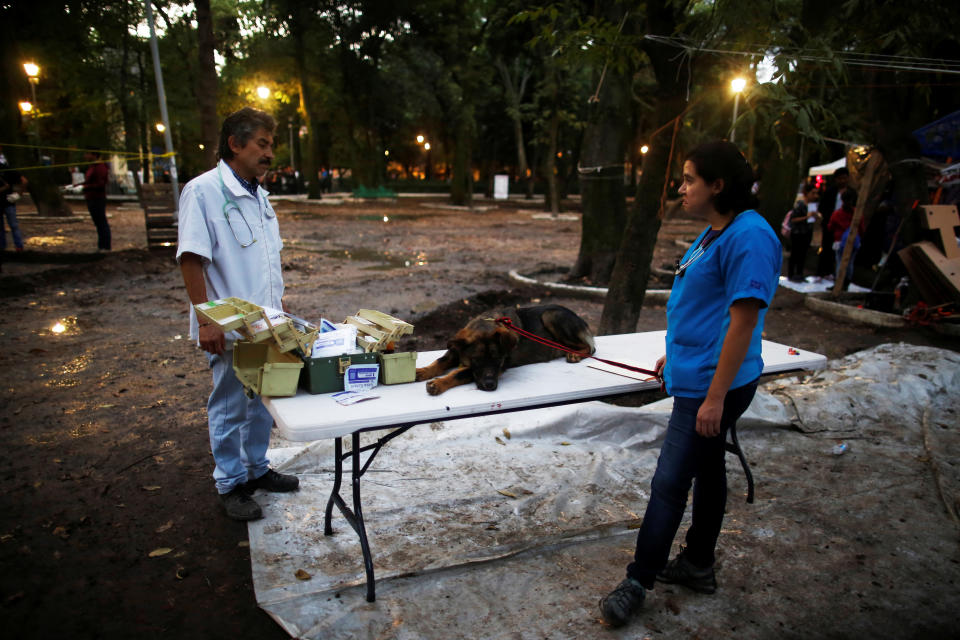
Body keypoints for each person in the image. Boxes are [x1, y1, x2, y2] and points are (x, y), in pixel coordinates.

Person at [599, 141, 782, 628]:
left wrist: (715, 398)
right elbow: (707, 309)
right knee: (708, 466)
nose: (680, 187)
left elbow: (742, 324)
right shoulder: (715, 232)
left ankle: (639, 579)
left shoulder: (750, 238)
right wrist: (675, 353)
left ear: (717, 186)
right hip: (697, 373)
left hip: (713, 386)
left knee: (670, 481)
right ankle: (698, 563)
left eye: (688, 179)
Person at [176, 107, 300, 521]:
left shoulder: (259, 196)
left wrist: (280, 311)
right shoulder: (204, 191)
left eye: (271, 145)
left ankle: (256, 468)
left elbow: (266, 262)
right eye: (262, 144)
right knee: (229, 404)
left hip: (265, 324)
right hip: (227, 325)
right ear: (235, 143)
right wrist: (207, 319)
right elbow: (192, 259)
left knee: (262, 401)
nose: (269, 153)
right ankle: (230, 483)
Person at [816, 167, 849, 279]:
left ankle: (836, 274)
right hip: (830, 224)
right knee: (826, 248)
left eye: (844, 178)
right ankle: (822, 272)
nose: (842, 181)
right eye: (840, 178)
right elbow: (822, 207)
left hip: (844, 227)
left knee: (841, 252)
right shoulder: (830, 192)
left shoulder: (851, 193)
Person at [77, 150, 111, 252]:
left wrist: (84, 187)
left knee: (101, 222)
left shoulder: (100, 167)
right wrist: (78, 186)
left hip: (97, 198)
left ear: (94, 155)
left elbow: (100, 184)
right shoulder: (92, 167)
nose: (85, 156)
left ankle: (105, 247)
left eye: (87, 153)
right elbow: (89, 181)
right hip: (91, 197)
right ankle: (101, 246)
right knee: (98, 223)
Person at [827, 188, 861, 287]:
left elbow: (830, 227)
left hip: (846, 241)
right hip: (845, 241)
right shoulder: (839, 214)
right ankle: (843, 282)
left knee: (841, 263)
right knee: (847, 263)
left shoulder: (841, 214)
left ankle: (841, 283)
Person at [787, 183, 821, 281]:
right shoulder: (800, 204)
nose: (815, 196)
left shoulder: (812, 206)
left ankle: (799, 274)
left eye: (816, 193)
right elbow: (793, 219)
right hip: (797, 233)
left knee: (803, 254)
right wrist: (807, 217)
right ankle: (791, 274)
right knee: (795, 254)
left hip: (807, 233)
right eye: (813, 193)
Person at [0, 148, 27, 253]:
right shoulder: (7, 168)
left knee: (12, 225)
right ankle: (5, 248)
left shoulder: (7, 169)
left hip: (8, 202)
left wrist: (18, 195)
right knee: (10, 226)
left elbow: (24, 181)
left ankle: (17, 247)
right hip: (8, 202)